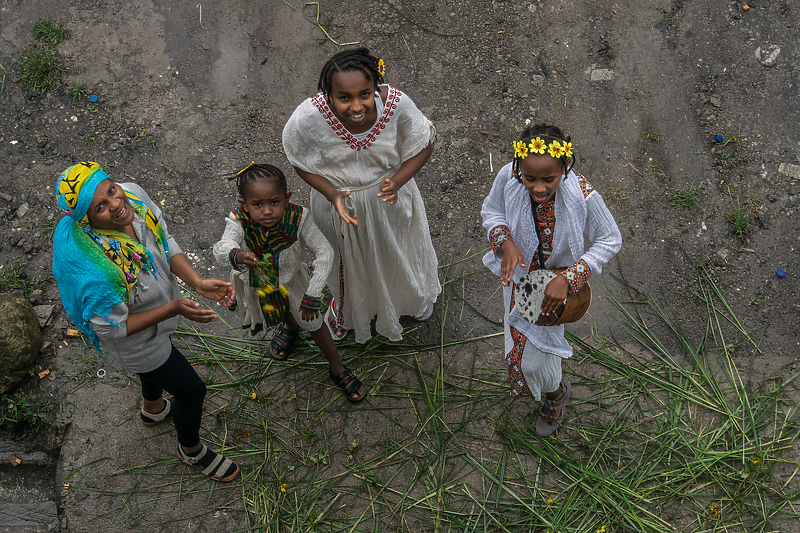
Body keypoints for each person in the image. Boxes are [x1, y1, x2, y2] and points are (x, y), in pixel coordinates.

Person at [51, 162, 240, 482]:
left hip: (158, 324)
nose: (115, 204)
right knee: (193, 391)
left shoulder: (135, 199)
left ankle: (152, 410)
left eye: (111, 189)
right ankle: (190, 450)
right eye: (101, 206)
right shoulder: (96, 269)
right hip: (135, 343)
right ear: (88, 220)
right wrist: (172, 309)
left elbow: (164, 242)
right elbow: (110, 327)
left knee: (158, 368)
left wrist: (196, 281)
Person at [282, 47, 441, 344]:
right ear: (328, 95)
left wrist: (397, 181)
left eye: (364, 94)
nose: (357, 106)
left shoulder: (396, 104)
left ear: (376, 88)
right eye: (344, 98)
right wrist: (331, 193)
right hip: (340, 208)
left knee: (396, 250)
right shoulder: (310, 117)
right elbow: (297, 157)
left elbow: (425, 143)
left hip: (388, 201)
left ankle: (411, 299)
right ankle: (347, 313)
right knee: (346, 262)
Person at [480, 125, 622, 436]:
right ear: (519, 166)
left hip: (557, 291)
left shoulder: (582, 193)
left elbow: (610, 239)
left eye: (549, 179)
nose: (539, 187)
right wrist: (506, 243)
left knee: (532, 360)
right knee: (516, 344)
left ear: (565, 167)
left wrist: (569, 278)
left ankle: (556, 393)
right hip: (518, 280)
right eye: (529, 178)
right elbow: (491, 212)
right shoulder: (508, 177)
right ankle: (551, 387)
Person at [213, 163, 366, 401]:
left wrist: (313, 295)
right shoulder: (239, 219)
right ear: (244, 205)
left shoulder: (298, 218)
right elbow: (222, 248)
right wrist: (238, 255)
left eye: (274, 202)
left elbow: (325, 253)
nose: (267, 211)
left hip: (294, 280)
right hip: (262, 278)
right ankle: (290, 326)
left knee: (313, 322)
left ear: (286, 199)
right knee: (277, 307)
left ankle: (335, 365)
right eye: (257, 204)